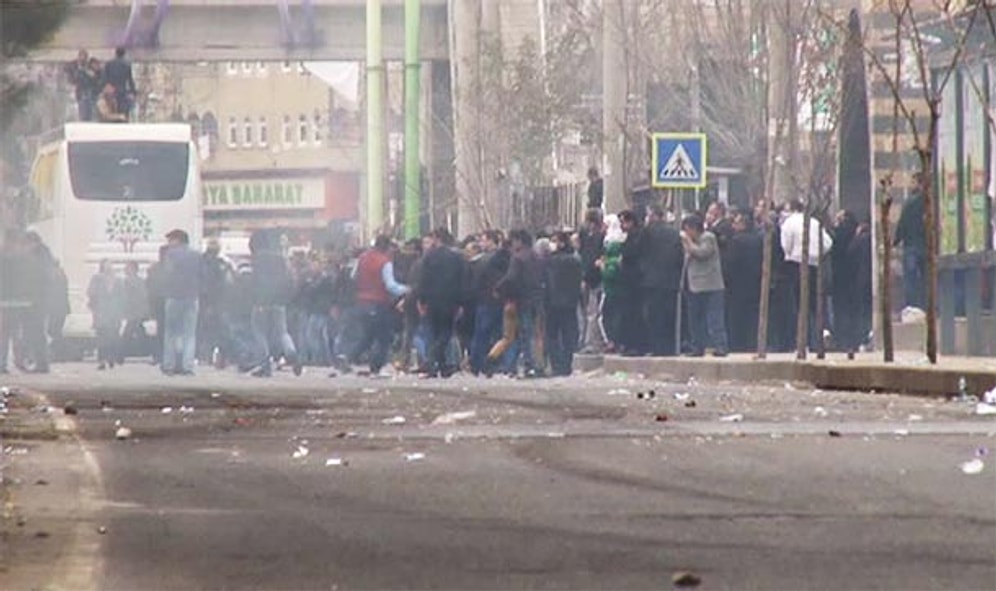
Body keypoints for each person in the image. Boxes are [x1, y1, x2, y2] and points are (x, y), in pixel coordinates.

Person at [344, 235, 409, 376]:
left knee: (368, 335)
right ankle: (376, 366)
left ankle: (349, 357)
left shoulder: (362, 258)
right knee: (383, 337)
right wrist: (407, 290)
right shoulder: (385, 262)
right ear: (386, 247)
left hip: (362, 302)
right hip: (378, 303)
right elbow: (390, 285)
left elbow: (353, 276)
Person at [780, 199, 833, 351]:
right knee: (815, 304)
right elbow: (828, 242)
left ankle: (803, 340)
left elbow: (786, 245)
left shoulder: (788, 223)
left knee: (799, 305)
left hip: (795, 264)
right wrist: (817, 253)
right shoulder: (814, 222)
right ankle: (819, 337)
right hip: (815, 265)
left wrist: (791, 253)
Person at [248, 230, 301, 377]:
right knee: (282, 331)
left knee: (259, 332)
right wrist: (285, 298)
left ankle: (264, 365)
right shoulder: (280, 259)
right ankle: (291, 352)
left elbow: (256, 282)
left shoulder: (257, 260)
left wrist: (257, 300)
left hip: (262, 302)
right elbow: (289, 281)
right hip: (279, 302)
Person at [415, 228, 467, 378]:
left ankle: (433, 361)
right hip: (450, 300)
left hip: (432, 300)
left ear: (437, 239)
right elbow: (461, 281)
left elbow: (423, 280)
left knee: (433, 332)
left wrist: (422, 300)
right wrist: (461, 302)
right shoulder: (456, 258)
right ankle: (443, 365)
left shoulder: (429, 257)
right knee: (446, 332)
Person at [493, 229, 543, 377]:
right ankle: (539, 364)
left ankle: (529, 364)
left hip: (522, 299)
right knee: (536, 333)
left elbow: (511, 278)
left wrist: (498, 288)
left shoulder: (518, 258)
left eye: (513, 241)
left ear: (519, 241)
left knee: (525, 333)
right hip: (537, 298)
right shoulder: (537, 257)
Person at [681, 214, 729, 357]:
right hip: (694, 286)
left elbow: (702, 253)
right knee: (695, 319)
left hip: (711, 285)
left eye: (687, 229)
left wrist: (688, 242)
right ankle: (697, 346)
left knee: (715, 318)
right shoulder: (691, 242)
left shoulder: (708, 237)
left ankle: (720, 346)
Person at [639, 205, 684, 356]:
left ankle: (657, 347)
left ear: (653, 215)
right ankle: (670, 348)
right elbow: (679, 256)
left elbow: (641, 252)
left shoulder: (647, 231)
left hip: (652, 281)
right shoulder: (674, 232)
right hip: (670, 281)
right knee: (669, 315)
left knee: (654, 315)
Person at [161, 229, 202, 376]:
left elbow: (166, 274)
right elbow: (202, 275)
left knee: (171, 333)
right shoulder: (197, 255)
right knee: (189, 334)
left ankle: (169, 365)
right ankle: (187, 366)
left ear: (178, 240)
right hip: (192, 297)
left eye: (170, 240)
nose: (169, 243)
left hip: (174, 296)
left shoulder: (171, 254)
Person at [469, 230, 508, 375]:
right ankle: (493, 363)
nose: (481, 243)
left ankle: (477, 363)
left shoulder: (481, 261)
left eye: (484, 240)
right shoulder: (499, 258)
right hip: (495, 300)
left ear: (492, 241)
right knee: (497, 333)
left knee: (481, 334)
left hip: (484, 300)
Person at [544, 231, 583, 376]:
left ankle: (556, 365)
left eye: (554, 241)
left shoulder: (550, 261)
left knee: (552, 335)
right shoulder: (575, 261)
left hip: (552, 303)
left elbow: (547, 283)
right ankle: (566, 365)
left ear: (561, 243)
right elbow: (578, 283)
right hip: (569, 304)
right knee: (568, 335)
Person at [725, 210, 763, 352]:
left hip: (737, 285)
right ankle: (752, 343)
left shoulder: (736, 241)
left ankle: (737, 345)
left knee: (736, 317)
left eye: (736, 223)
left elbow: (730, 263)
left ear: (743, 225)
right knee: (752, 317)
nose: (733, 225)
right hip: (754, 283)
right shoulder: (757, 239)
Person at [617, 210, 646, 356]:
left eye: (623, 222)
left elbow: (632, 252)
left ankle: (635, 345)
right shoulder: (630, 236)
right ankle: (628, 344)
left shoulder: (637, 235)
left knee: (634, 314)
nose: (622, 226)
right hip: (628, 281)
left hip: (635, 281)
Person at [578, 209, 606, 353]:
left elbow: (589, 258)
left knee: (591, 312)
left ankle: (591, 342)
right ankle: (588, 341)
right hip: (591, 278)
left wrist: (585, 277)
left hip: (593, 279)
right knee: (589, 312)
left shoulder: (597, 238)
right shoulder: (590, 236)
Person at [894, 186, 926, 309]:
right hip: (925, 246)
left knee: (910, 278)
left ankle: (912, 305)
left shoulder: (909, 203)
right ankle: (924, 304)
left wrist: (896, 241)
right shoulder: (930, 202)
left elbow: (902, 223)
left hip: (911, 246)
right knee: (925, 277)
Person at [87, 260, 123, 370]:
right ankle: (102, 360)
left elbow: (122, 296)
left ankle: (111, 357)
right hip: (101, 312)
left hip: (114, 313)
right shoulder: (96, 279)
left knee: (113, 336)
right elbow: (90, 292)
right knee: (102, 337)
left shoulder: (118, 280)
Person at [120, 260, 149, 359]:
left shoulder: (137, 282)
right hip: (133, 311)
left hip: (135, 311)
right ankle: (145, 350)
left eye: (127, 268)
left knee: (129, 331)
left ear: (133, 269)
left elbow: (143, 297)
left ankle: (121, 352)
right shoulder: (126, 282)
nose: (125, 270)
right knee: (137, 330)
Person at [103, 46, 136, 119]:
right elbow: (130, 80)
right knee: (123, 109)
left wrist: (106, 87)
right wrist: (133, 91)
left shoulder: (109, 64)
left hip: (111, 90)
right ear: (124, 54)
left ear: (116, 53)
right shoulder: (126, 65)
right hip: (122, 90)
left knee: (112, 109)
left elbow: (105, 78)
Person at [67, 49, 100, 121]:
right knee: (79, 108)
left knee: (88, 109)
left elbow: (94, 76)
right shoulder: (72, 65)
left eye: (84, 58)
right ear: (78, 57)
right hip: (77, 90)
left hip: (88, 90)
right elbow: (70, 77)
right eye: (81, 58)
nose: (82, 60)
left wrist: (86, 71)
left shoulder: (89, 66)